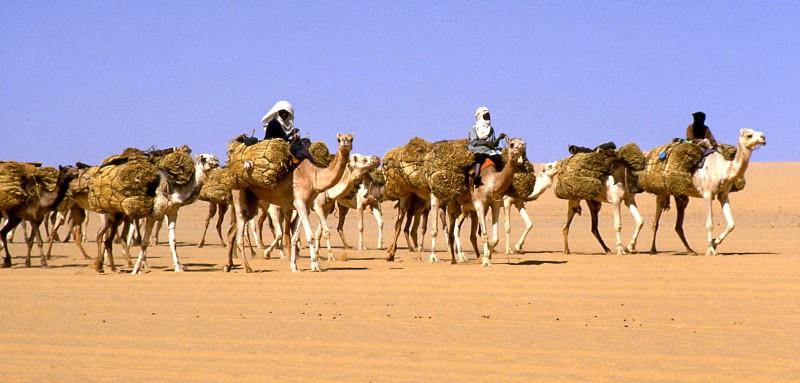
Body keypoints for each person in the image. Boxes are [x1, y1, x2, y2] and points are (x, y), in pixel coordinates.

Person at [261, 100, 319, 165]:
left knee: (306, 140)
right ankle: (311, 161)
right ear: (278, 112)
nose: (284, 114)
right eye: (282, 112)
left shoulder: (288, 124)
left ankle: (309, 159)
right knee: (297, 147)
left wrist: (294, 137)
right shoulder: (274, 123)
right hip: (275, 146)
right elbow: (278, 140)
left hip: (285, 143)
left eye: (286, 113)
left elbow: (285, 139)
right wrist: (290, 134)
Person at [467, 106, 506, 185]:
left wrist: (499, 138)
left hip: (489, 150)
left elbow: (494, 143)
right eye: (485, 116)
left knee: (500, 158)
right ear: (481, 117)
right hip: (477, 149)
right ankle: (476, 176)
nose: (488, 118)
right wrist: (486, 143)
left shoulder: (491, 129)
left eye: (488, 116)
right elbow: (474, 142)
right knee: (479, 156)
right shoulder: (474, 129)